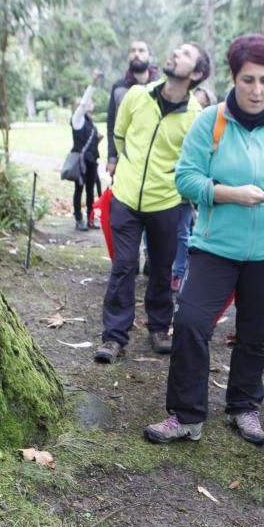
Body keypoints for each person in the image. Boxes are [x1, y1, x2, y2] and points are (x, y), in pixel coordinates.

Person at [144, 34, 264, 446]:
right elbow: (185, 177)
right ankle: (187, 416)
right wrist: (227, 193)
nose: (257, 90)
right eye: (248, 80)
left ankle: (243, 407)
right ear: (234, 79)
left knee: (255, 334)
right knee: (189, 323)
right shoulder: (212, 121)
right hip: (214, 248)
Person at [92, 43, 211, 364]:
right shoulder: (136, 96)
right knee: (124, 265)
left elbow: (195, 161)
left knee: (161, 268)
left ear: (196, 73)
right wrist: (119, 162)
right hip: (126, 198)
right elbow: (120, 134)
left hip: (166, 203)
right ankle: (114, 337)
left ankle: (159, 327)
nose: (175, 53)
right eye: (177, 49)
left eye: (185, 54)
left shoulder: (196, 118)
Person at [172, 84, 218, 292]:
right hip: (171, 184)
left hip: (196, 192)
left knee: (185, 231)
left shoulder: (211, 129)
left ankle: (179, 273)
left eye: (202, 105)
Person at [106, 40, 159, 176]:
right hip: (125, 158)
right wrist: (112, 158)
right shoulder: (119, 87)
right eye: (133, 51)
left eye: (141, 51)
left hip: (154, 160)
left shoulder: (160, 87)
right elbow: (112, 124)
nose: (136, 54)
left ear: (150, 57)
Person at [69, 70, 103, 231]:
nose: (90, 103)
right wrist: (93, 83)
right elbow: (83, 103)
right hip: (81, 162)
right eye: (87, 102)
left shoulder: (90, 122)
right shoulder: (77, 119)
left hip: (92, 161)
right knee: (79, 189)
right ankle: (78, 219)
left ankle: (90, 218)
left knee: (91, 191)